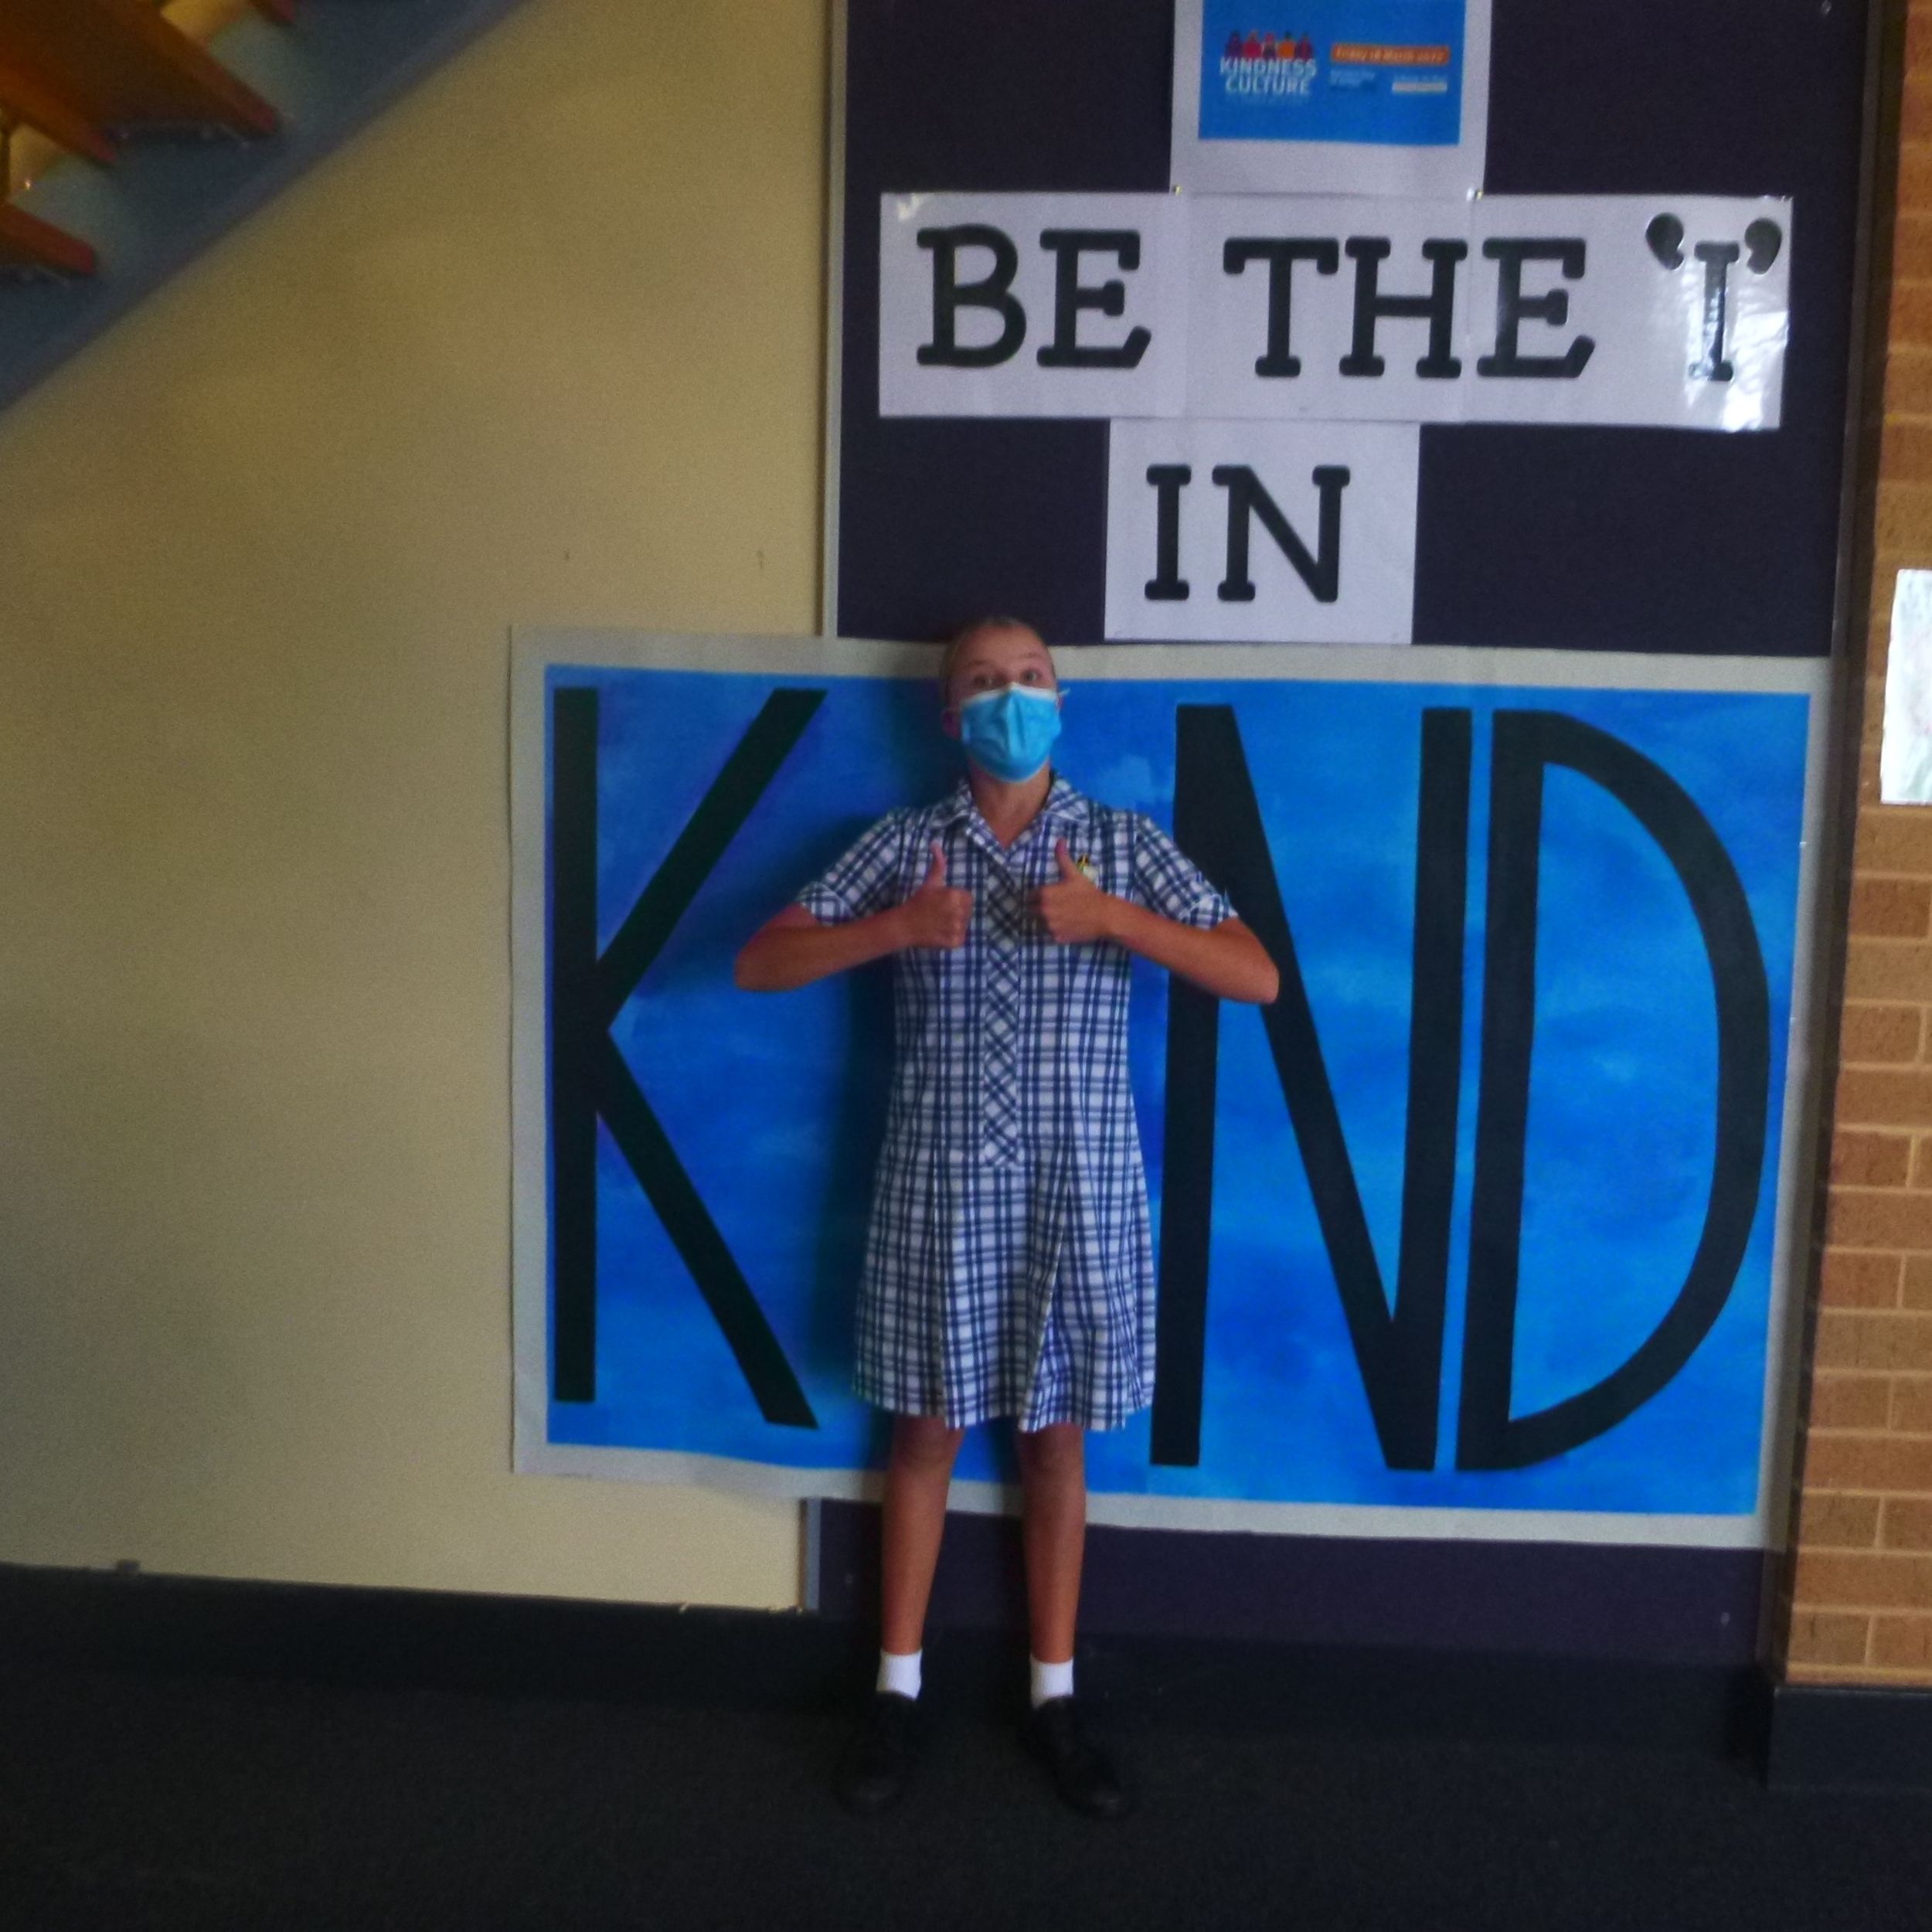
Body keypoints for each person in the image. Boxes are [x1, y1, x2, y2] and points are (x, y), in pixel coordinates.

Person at [734, 620, 1278, 1817]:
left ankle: (1054, 1694)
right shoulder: (908, 846)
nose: (1010, 696)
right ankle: (895, 1687)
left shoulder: (1119, 845)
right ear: (949, 716)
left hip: (1078, 1197)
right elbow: (760, 961)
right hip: (940, 1191)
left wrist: (1115, 919)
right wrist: (896, 929)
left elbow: (1254, 972)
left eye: (1030, 677)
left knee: (1057, 1443)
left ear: (1061, 700)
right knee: (924, 1432)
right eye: (984, 682)